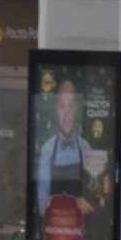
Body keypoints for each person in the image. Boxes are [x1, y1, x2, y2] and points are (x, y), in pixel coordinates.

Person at [36, 80, 94, 217]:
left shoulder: (86, 148)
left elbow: (92, 201)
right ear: (56, 109)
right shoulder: (47, 150)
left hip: (82, 234)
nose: (66, 114)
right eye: (62, 106)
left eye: (70, 106)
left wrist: (56, 202)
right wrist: (75, 203)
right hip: (55, 232)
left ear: (76, 109)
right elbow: (42, 207)